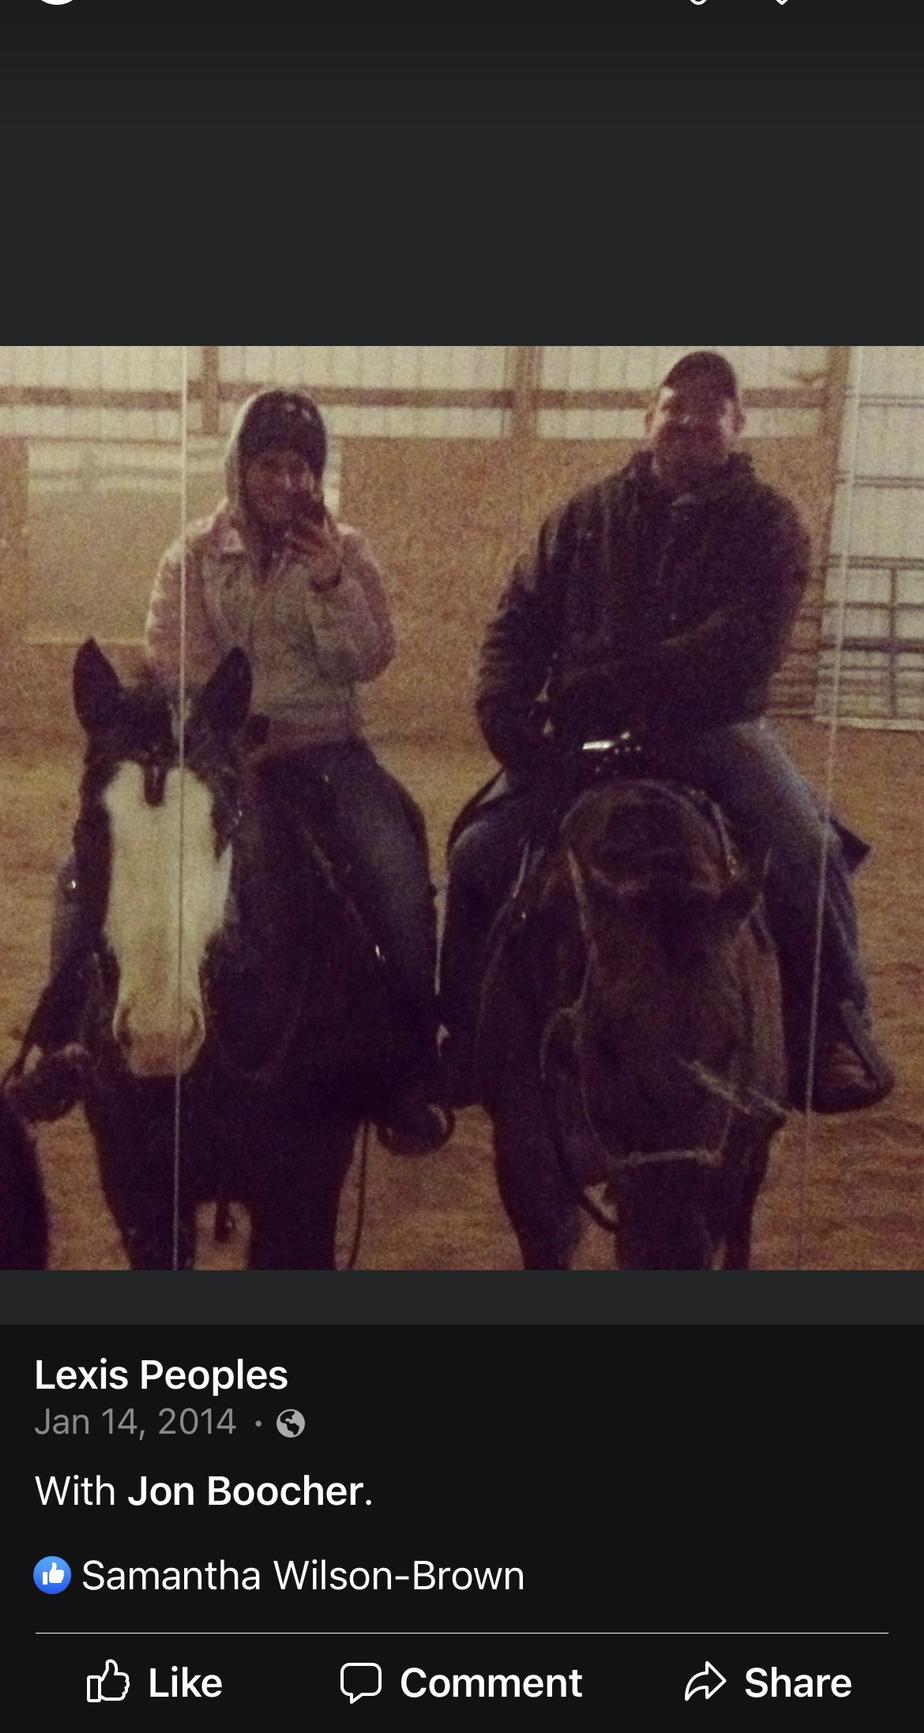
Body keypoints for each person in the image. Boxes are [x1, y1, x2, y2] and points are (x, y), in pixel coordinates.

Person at [440, 350, 895, 1115]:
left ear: (737, 424)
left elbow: (743, 643)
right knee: (478, 854)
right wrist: (504, 707)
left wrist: (616, 680)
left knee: (806, 854)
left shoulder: (769, 525)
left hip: (715, 732)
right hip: (584, 736)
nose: (690, 421)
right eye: (676, 406)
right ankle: (466, 1035)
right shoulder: (582, 520)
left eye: (711, 410)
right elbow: (518, 620)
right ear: (648, 418)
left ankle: (833, 1029)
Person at [52, 388, 451, 1155]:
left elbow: (368, 657)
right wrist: (226, 734)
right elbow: (173, 655)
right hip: (214, 755)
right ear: (241, 467)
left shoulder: (348, 552)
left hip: (322, 751)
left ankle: (407, 1059)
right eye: (272, 464)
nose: (287, 481)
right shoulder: (193, 554)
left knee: (395, 860)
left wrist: (333, 585)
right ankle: (63, 1039)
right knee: (84, 867)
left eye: (302, 467)